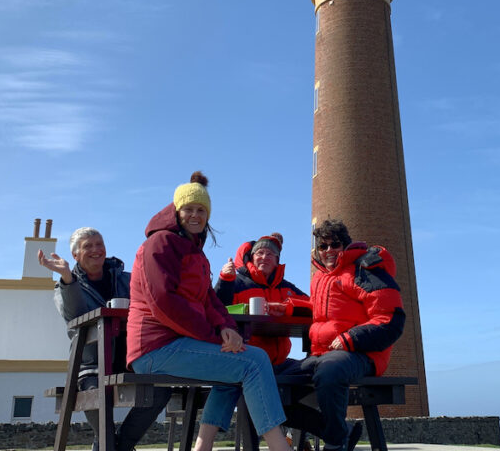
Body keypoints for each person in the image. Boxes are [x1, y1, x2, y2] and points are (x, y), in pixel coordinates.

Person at [126, 171, 293, 451]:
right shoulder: (161, 243)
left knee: (238, 361)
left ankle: (202, 447)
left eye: (201, 210)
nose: (195, 215)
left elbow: (209, 300)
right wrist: (214, 337)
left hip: (177, 344)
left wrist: (227, 327)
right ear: (177, 211)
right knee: (254, 362)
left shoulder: (193, 250)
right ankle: (280, 446)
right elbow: (163, 302)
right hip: (155, 347)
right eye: (189, 209)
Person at [39, 227, 169, 451]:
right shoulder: (64, 287)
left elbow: (152, 299)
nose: (96, 250)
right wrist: (68, 278)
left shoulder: (127, 279)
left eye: (99, 244)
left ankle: (121, 446)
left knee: (161, 391)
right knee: (99, 402)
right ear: (75, 255)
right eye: (88, 246)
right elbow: (75, 317)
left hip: (131, 361)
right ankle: (112, 445)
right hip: (92, 367)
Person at [287, 219, 406, 451]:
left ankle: (334, 444)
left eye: (335, 244)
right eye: (323, 246)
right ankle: (342, 433)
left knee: (330, 372)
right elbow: (320, 311)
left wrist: (350, 338)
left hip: (363, 354)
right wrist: (286, 308)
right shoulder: (319, 278)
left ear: (346, 245)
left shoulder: (365, 271)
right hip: (322, 354)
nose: (329, 250)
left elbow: (391, 319)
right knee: (268, 381)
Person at [214, 233, 309, 374]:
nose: (264, 257)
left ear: (277, 261)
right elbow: (216, 308)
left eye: (270, 254)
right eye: (260, 253)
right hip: (246, 360)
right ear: (252, 257)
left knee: (313, 369)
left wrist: (286, 308)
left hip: (280, 363)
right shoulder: (237, 282)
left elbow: (314, 306)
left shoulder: (287, 288)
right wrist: (225, 280)